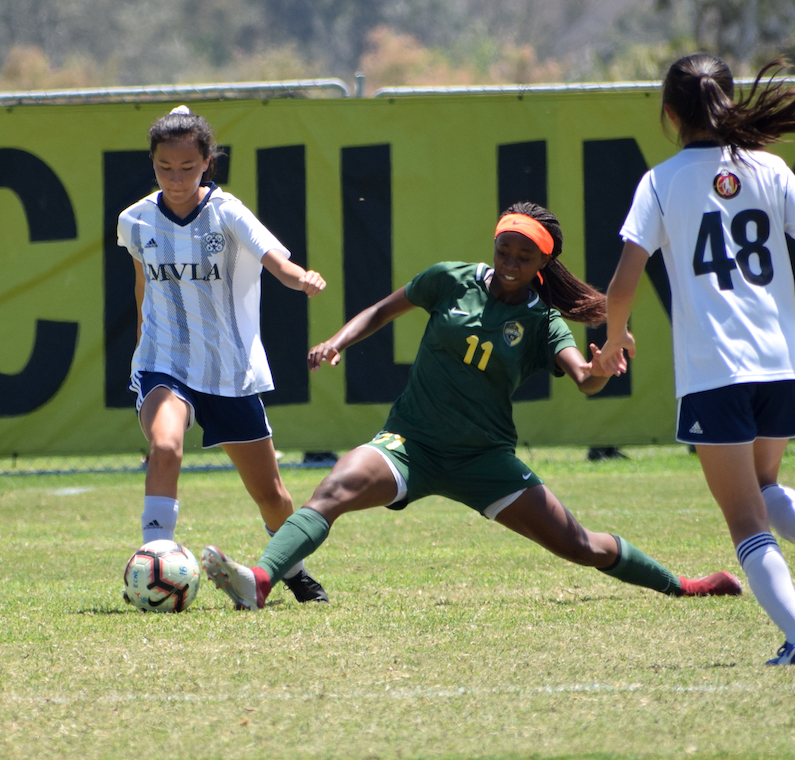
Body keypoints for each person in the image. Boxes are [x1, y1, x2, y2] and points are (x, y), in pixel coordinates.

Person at [201, 201, 743, 610]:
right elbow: (383, 311)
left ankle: (683, 585)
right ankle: (261, 581)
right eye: (504, 249)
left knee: (578, 545)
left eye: (523, 255)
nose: (509, 261)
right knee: (333, 491)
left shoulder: (543, 320)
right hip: (410, 444)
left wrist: (599, 370)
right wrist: (339, 341)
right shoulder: (450, 280)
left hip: (484, 460)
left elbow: (582, 378)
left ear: (542, 263)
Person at [598, 55, 795, 666]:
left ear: (669, 114)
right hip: (780, 363)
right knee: (763, 486)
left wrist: (613, 342)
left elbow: (623, 286)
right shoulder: (771, 169)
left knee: (744, 518)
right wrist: (784, 321)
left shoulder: (660, 182)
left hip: (715, 370)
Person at [116, 105, 328, 604]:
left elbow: (276, 259)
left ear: (208, 162)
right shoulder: (135, 221)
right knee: (166, 446)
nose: (175, 178)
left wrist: (301, 279)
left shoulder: (227, 212)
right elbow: (142, 283)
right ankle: (154, 565)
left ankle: (292, 571)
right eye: (164, 168)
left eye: (187, 168)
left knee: (271, 495)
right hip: (163, 362)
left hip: (230, 371)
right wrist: (145, 342)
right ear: (152, 164)